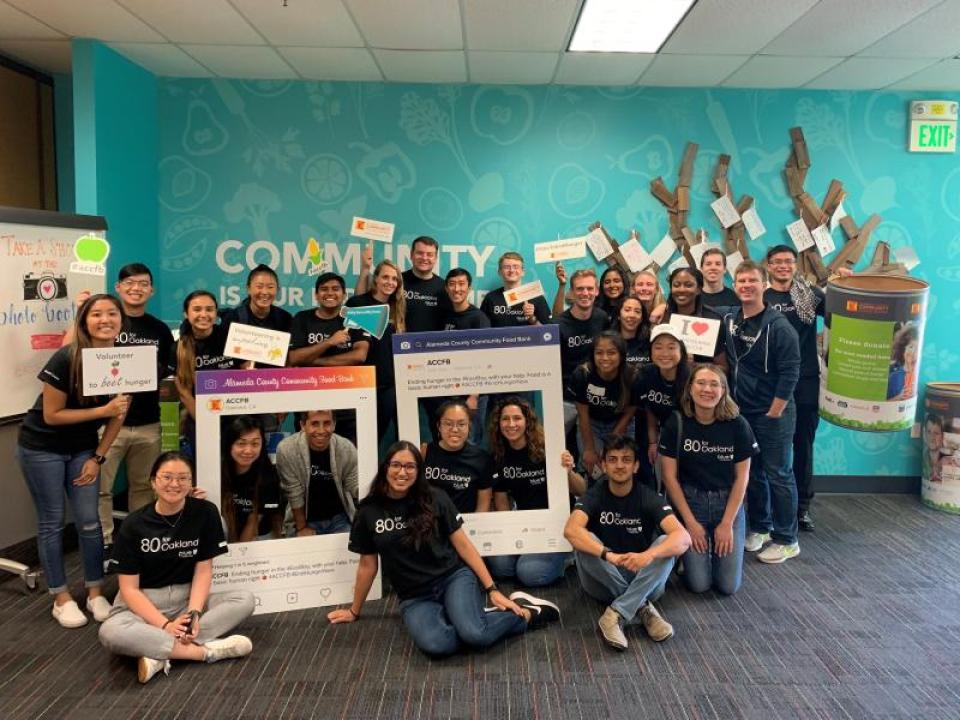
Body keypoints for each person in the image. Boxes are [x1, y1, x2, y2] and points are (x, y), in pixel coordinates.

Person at [328, 441, 560, 657]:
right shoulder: (368, 511)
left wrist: (492, 589)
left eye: (410, 466)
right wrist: (354, 611)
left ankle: (526, 613)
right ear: (385, 467)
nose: (402, 472)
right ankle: (471, 617)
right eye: (396, 465)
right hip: (414, 596)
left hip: (452, 578)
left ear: (419, 471)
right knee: (439, 646)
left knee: (476, 635)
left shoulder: (435, 498)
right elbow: (367, 566)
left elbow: (464, 545)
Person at [17, 294, 130, 628]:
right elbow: (52, 415)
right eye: (96, 314)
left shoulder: (124, 359)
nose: (105, 320)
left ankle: (95, 592)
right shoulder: (66, 357)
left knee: (90, 522)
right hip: (42, 448)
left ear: (121, 320)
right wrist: (102, 410)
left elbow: (119, 416)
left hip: (83, 450)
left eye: (112, 313)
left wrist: (97, 457)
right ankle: (61, 597)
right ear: (84, 321)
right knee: (52, 522)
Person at [99, 452, 255, 684]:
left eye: (183, 478)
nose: (175, 484)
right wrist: (165, 625)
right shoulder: (134, 524)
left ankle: (157, 652)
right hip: (143, 603)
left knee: (244, 599)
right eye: (167, 477)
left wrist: (193, 615)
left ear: (191, 483)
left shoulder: (205, 512)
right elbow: (129, 589)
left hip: (186, 598)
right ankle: (204, 652)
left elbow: (203, 569)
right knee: (110, 632)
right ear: (153, 482)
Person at [564, 436, 690, 650]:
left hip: (643, 577)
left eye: (626, 460)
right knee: (585, 541)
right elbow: (571, 530)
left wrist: (648, 555)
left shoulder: (647, 496)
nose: (619, 465)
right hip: (602, 580)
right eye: (612, 460)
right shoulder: (595, 495)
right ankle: (643, 608)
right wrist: (608, 555)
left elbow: (684, 537)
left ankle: (615, 613)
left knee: (666, 542)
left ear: (636, 466)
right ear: (604, 466)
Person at [722, 260, 801, 564]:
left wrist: (775, 410)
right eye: (741, 281)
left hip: (772, 412)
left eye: (752, 281)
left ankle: (787, 539)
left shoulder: (779, 326)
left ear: (764, 285)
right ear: (734, 285)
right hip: (743, 412)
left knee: (778, 473)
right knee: (752, 472)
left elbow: (791, 371)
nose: (746, 286)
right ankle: (762, 527)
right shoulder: (731, 319)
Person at [91, 264, 174, 548]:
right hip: (106, 422)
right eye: (129, 282)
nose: (136, 288)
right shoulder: (106, 324)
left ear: (152, 290)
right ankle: (103, 544)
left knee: (143, 487)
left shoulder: (159, 329)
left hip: (148, 422)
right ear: (118, 287)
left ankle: (138, 541)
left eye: (143, 283)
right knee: (100, 488)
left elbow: (167, 369)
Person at [659, 364, 757, 595]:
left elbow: (742, 477)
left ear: (723, 390)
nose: (707, 389)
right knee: (699, 585)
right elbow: (669, 477)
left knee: (727, 586)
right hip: (691, 504)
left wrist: (727, 524)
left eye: (714, 384)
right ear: (690, 388)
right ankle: (686, 559)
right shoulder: (676, 422)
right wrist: (690, 523)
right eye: (701, 383)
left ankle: (710, 551)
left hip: (728, 505)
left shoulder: (738, 424)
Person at [486, 397, 585, 587]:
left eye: (517, 418)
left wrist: (568, 471)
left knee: (529, 573)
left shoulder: (549, 447)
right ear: (498, 424)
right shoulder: (498, 455)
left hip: (557, 523)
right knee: (500, 567)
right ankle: (531, 554)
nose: (511, 424)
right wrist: (509, 535)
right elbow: (501, 501)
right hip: (525, 521)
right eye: (505, 419)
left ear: (527, 421)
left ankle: (568, 555)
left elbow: (581, 489)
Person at [764, 245, 829, 532]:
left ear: (795, 265)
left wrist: (845, 283)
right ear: (768, 266)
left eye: (788, 261)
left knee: (803, 447)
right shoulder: (761, 297)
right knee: (768, 448)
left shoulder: (810, 295)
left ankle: (802, 508)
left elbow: (839, 312)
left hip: (805, 382)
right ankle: (768, 507)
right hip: (770, 384)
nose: (783, 266)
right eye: (777, 262)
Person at [171, 290, 243, 457]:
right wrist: (205, 422)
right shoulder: (178, 348)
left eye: (209, 309)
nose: (203, 315)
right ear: (186, 314)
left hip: (236, 416)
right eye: (197, 309)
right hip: (199, 418)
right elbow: (183, 392)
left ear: (216, 313)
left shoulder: (231, 338)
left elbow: (245, 372)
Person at [346, 260, 406, 446]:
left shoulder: (398, 308)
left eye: (394, 279)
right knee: (361, 439)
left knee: (377, 438)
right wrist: (364, 268)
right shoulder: (359, 303)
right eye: (385, 277)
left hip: (389, 385)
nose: (390, 282)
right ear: (376, 279)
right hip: (363, 383)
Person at [275, 410, 359, 536]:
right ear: (303, 425)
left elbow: (354, 485)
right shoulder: (287, 449)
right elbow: (294, 493)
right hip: (304, 520)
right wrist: (302, 528)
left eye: (327, 423)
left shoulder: (346, 447)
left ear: (334, 424)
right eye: (315, 424)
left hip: (340, 519)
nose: (321, 431)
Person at [569, 331, 637, 477]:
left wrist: (611, 442)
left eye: (611, 353)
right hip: (590, 424)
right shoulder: (582, 374)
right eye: (599, 353)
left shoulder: (632, 375)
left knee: (618, 468)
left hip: (621, 422)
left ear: (621, 355)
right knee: (595, 470)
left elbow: (630, 411)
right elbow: (582, 414)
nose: (605, 358)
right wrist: (589, 449)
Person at [634, 325, 691, 487]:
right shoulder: (646, 374)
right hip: (664, 436)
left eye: (671, 347)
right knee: (662, 480)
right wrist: (653, 442)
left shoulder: (692, 379)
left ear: (681, 351)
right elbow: (650, 408)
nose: (664, 353)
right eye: (658, 347)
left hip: (690, 440)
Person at [555, 267, 609, 437]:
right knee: (557, 446)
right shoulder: (559, 324)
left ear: (597, 291)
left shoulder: (602, 318)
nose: (585, 293)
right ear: (572, 292)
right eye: (579, 289)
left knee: (589, 449)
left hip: (595, 399)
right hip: (566, 399)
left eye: (589, 288)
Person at [356, 236, 447, 332]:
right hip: (395, 340)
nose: (424, 258)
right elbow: (361, 305)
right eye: (420, 253)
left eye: (429, 254)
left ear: (436, 258)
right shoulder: (395, 281)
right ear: (411, 255)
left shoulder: (444, 287)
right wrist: (365, 268)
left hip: (432, 341)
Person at [421, 400, 494, 513]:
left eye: (461, 424)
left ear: (469, 426)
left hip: (467, 522)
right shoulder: (424, 452)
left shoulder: (481, 459)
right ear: (439, 426)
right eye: (448, 424)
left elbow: (483, 506)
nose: (455, 429)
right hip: (431, 521)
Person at [220, 416, 282, 543]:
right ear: (229, 444)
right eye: (241, 443)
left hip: (257, 537)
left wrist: (237, 552)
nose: (248, 450)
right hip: (225, 535)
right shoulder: (219, 470)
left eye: (255, 444)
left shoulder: (269, 476)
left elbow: (253, 524)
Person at [289, 272, 370, 368]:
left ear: (344, 295)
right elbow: (293, 358)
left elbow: (360, 356)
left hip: (346, 377)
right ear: (316, 295)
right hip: (309, 377)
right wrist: (329, 342)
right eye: (324, 289)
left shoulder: (355, 318)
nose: (330, 293)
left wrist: (311, 361)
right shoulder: (302, 318)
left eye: (335, 289)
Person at [661, 267, 728, 370]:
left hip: (701, 379)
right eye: (676, 285)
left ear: (698, 289)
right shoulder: (664, 319)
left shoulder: (713, 321)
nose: (681, 290)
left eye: (688, 285)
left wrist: (696, 365)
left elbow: (723, 368)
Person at [219, 263, 293, 336]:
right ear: (248, 289)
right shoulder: (233, 318)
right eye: (259, 287)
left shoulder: (285, 319)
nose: (265, 292)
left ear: (277, 289)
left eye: (270, 287)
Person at [480, 251, 550, 327]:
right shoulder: (490, 298)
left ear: (523, 272)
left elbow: (548, 332)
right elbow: (482, 330)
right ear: (500, 272)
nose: (512, 270)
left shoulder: (537, 298)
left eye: (516, 267)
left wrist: (532, 318)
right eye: (507, 267)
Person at [612, 295, 651, 367]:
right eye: (627, 310)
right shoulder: (608, 342)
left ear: (642, 318)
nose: (632, 315)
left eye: (637, 311)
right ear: (618, 315)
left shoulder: (649, 343)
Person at [887, 323, 920, 401]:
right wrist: (899, 397)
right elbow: (882, 403)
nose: (913, 352)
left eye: (917, 348)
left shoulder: (917, 376)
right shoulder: (894, 377)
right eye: (911, 347)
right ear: (903, 349)